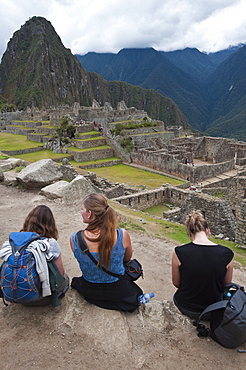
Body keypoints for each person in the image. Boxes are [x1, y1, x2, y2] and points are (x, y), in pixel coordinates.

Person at [70, 193, 143, 312]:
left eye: (82, 209)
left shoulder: (75, 239)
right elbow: (127, 259)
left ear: (89, 213)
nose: (81, 212)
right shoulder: (122, 235)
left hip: (91, 289)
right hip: (117, 290)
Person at [1, 205, 69, 306]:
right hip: (40, 299)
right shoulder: (50, 243)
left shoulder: (14, 242)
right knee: (65, 279)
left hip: (15, 297)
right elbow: (60, 274)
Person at [172, 210, 234, 320]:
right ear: (208, 231)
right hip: (213, 309)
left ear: (190, 234)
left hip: (186, 306)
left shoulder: (179, 252)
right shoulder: (227, 254)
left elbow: (177, 283)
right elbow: (226, 284)